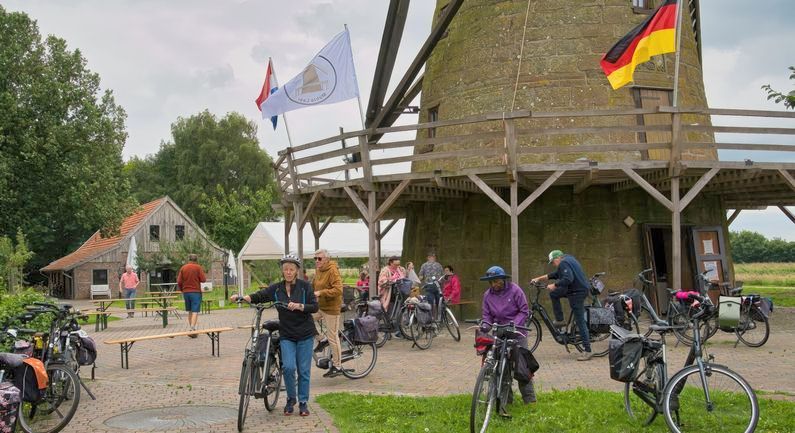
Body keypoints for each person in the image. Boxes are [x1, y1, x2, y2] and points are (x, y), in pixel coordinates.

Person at [231, 254, 318, 417]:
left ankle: (303, 402)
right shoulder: (277, 288)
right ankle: (291, 399)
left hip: (305, 333)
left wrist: (300, 306)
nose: (289, 272)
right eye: (286, 269)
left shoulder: (305, 286)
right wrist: (243, 298)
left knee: (304, 370)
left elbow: (314, 306)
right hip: (287, 334)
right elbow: (260, 295)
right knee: (288, 367)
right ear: (282, 271)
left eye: (292, 269)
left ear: (297, 270)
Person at [479, 265, 536, 412]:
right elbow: (487, 315)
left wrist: (514, 324)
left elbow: (524, 311)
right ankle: (506, 399)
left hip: (517, 332)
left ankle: (530, 401)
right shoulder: (487, 295)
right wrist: (485, 326)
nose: (493, 285)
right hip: (499, 332)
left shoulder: (515, 290)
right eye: (491, 282)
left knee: (522, 367)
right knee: (501, 368)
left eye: (496, 281)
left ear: (503, 279)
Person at [530, 250, 593, 361]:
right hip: (575, 289)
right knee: (554, 294)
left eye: (553, 262)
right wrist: (539, 278)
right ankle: (560, 320)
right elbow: (555, 274)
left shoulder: (564, 263)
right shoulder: (568, 259)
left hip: (577, 292)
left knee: (580, 321)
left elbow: (568, 279)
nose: (553, 264)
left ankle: (587, 351)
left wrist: (555, 285)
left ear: (557, 258)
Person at [311, 249, 346, 378]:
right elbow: (313, 286)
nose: (316, 261)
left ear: (326, 259)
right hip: (320, 306)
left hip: (331, 308)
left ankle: (337, 366)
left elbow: (338, 289)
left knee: (333, 336)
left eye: (319, 258)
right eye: (315, 258)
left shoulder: (332, 270)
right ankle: (321, 338)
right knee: (306, 318)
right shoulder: (318, 271)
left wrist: (321, 293)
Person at [176, 254, 206, 338]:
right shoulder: (198, 267)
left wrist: (182, 289)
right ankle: (192, 328)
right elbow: (203, 280)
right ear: (196, 260)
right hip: (195, 292)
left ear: (188, 259)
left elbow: (179, 281)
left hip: (186, 292)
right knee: (195, 311)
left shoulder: (183, 268)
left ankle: (192, 329)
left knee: (190, 311)